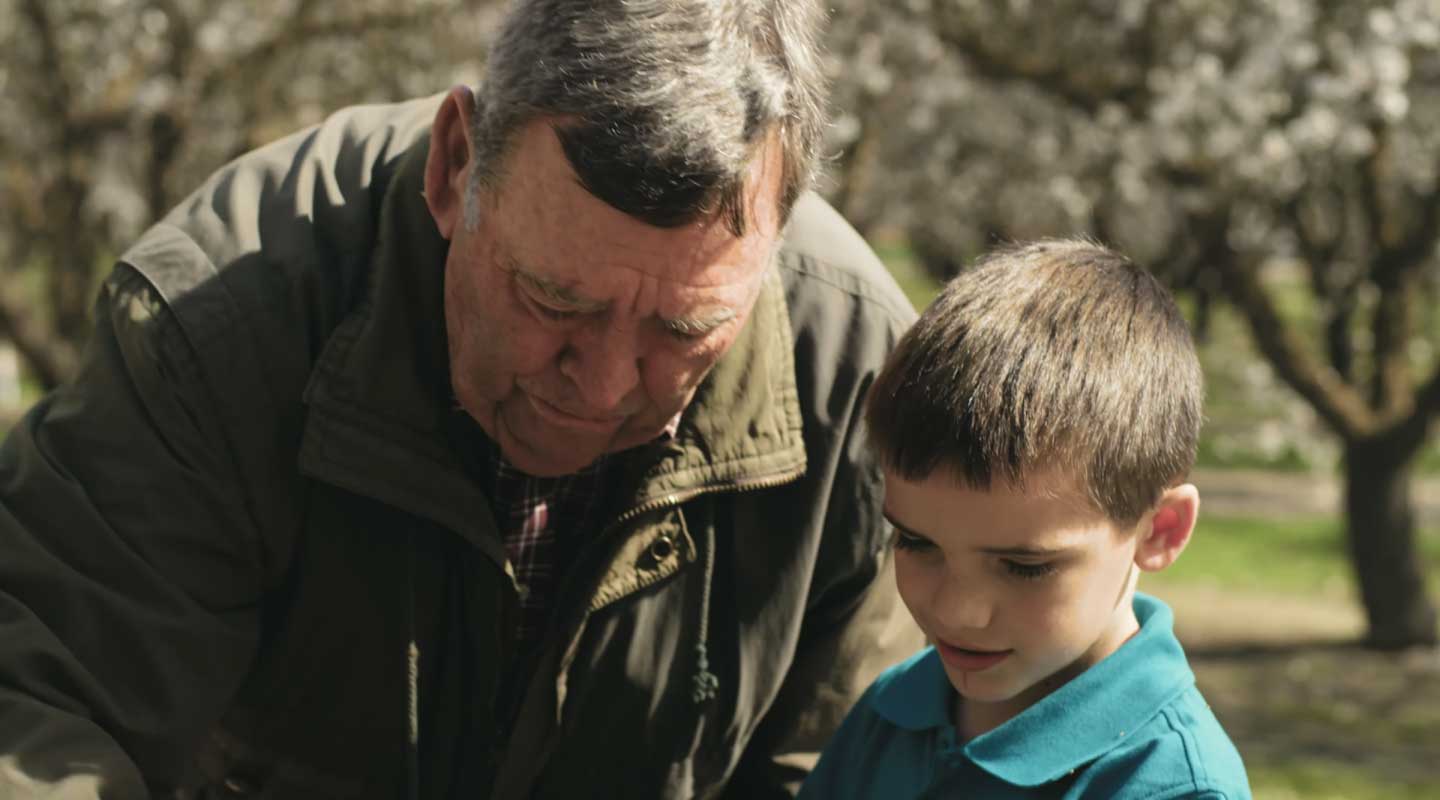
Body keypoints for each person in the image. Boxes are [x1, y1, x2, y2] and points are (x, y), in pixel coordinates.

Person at [0, 1, 924, 797]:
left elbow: (864, 767)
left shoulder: (856, 382)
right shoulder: (214, 329)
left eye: (682, 334)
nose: (602, 387)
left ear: (773, 243)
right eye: (554, 301)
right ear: (454, 168)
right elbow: (41, 715)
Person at [799, 240, 1252, 799]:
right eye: (916, 542)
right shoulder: (894, 709)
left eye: (1023, 566)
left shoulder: (1175, 787)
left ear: (1159, 530)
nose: (954, 611)